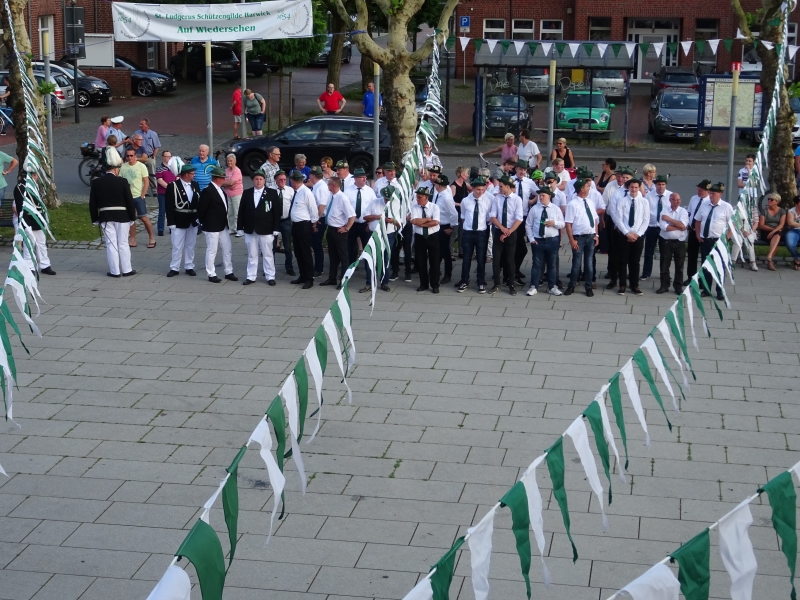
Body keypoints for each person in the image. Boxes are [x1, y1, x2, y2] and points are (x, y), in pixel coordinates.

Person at [89, 147, 137, 278]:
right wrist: (132, 217)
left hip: (106, 217)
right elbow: (129, 201)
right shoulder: (123, 181)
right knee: (123, 243)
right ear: (116, 169)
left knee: (111, 244)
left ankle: (114, 271)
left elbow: (92, 203)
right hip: (123, 216)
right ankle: (127, 269)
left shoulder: (96, 183)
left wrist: (95, 218)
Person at [237, 169, 281, 285]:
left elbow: (277, 212)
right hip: (250, 228)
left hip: (266, 228)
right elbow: (241, 211)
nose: (258, 181)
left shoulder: (271, 193)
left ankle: (270, 276)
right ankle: (251, 276)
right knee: (252, 254)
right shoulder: (247, 193)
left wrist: (276, 228)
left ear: (264, 180)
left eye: (261, 179)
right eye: (256, 179)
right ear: (253, 180)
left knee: (268, 254)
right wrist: (240, 227)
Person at [197, 166, 238, 283]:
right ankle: (211, 273)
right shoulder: (208, 191)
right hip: (212, 226)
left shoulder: (220, 190)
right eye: (223, 178)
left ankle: (228, 271)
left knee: (227, 248)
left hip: (222, 225)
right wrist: (203, 222)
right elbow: (201, 209)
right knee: (212, 250)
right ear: (218, 179)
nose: (224, 180)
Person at [694, 182, 733, 300]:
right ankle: (706, 289)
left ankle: (720, 291)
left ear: (720, 194)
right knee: (706, 266)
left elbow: (732, 224)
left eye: (713, 194)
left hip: (719, 241)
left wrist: (727, 238)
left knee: (719, 266)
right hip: (706, 240)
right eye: (710, 193)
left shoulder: (726, 207)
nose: (711, 196)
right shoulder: (704, 205)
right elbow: (698, 220)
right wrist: (698, 235)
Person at [612, 177, 649, 296]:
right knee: (623, 260)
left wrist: (637, 234)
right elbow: (619, 219)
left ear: (639, 188)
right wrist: (627, 233)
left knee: (635, 261)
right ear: (628, 188)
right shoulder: (622, 201)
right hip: (625, 235)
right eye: (632, 187)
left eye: (636, 187)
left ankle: (634, 285)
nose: (634, 189)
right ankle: (622, 285)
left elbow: (646, 220)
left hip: (638, 235)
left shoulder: (644, 202)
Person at [455, 177, 492, 293]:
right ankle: (464, 281)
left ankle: (481, 282)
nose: (480, 192)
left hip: (481, 232)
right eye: (478, 190)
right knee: (466, 258)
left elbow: (488, 218)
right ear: (473, 189)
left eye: (482, 190)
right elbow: (463, 216)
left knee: (481, 258)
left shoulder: (487, 201)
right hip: (468, 232)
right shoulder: (466, 201)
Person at [564, 178, 600, 297]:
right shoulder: (572, 204)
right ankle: (572, 285)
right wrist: (571, 239)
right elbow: (568, 223)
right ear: (581, 189)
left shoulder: (589, 202)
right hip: (579, 237)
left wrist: (596, 235)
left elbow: (595, 219)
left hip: (590, 236)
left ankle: (588, 286)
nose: (589, 188)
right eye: (587, 187)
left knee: (589, 263)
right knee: (576, 263)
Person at [525, 188, 564, 297]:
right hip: (538, 240)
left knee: (552, 264)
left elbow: (562, 224)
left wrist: (554, 223)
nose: (541, 197)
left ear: (549, 196)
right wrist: (531, 239)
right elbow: (528, 224)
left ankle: (552, 287)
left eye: (543, 195)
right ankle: (534, 286)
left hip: (552, 240)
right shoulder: (534, 209)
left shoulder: (555, 209)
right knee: (536, 264)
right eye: (540, 195)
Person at [14, 172, 55, 275]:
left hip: (38, 220)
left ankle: (45, 265)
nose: (37, 177)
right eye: (36, 175)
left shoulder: (33, 186)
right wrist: (26, 224)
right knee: (29, 244)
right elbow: (20, 207)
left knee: (41, 243)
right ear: (33, 175)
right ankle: (29, 267)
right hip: (28, 220)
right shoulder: (20, 187)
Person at [489, 175, 523, 296]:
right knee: (496, 258)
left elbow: (519, 218)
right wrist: (502, 228)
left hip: (511, 232)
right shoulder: (497, 199)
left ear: (508, 186)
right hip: (500, 230)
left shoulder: (517, 200)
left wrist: (509, 231)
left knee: (510, 259)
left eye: (501, 186)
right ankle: (496, 283)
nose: (499, 188)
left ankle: (511, 284)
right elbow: (492, 216)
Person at [320, 176, 356, 290]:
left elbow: (352, 215)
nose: (327, 186)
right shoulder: (332, 196)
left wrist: (347, 228)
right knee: (332, 255)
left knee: (343, 256)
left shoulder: (342, 198)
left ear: (333, 186)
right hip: (331, 229)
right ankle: (332, 278)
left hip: (339, 231)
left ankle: (344, 280)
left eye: (329, 184)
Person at [165, 164, 200, 277]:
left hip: (192, 219)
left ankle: (189, 265)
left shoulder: (195, 184)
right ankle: (174, 267)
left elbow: (198, 202)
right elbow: (169, 206)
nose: (194, 175)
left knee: (191, 244)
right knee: (177, 245)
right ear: (186, 174)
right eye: (192, 173)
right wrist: (171, 222)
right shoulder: (173, 186)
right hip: (179, 219)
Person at [363, 185, 398, 292]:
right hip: (374, 233)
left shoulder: (397, 204)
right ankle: (369, 283)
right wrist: (376, 217)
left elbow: (401, 223)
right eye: (385, 198)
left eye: (389, 198)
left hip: (389, 234)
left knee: (385, 258)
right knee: (370, 257)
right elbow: (365, 216)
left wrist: (392, 221)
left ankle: (384, 282)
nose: (387, 200)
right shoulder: (375, 202)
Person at [120, 147, 156, 249]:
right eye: (127, 156)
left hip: (138, 196)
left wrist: (142, 195)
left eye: (131, 155)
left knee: (143, 217)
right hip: (127, 197)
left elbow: (146, 182)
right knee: (131, 219)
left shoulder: (141, 166)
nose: (129, 157)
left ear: (135, 156)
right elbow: (121, 181)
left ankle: (151, 238)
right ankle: (132, 239)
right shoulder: (123, 167)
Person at [604, 166, 634, 289]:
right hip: (616, 226)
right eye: (623, 177)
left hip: (631, 228)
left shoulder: (636, 192)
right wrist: (618, 224)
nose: (624, 179)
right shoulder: (616, 192)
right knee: (614, 252)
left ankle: (630, 280)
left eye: (627, 178)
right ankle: (613, 278)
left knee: (630, 255)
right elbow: (612, 209)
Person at [288, 170, 319, 288]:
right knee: (298, 251)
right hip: (296, 225)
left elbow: (313, 211)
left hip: (304, 225)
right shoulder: (297, 192)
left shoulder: (306, 192)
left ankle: (309, 278)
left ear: (294, 181)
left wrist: (313, 225)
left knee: (305, 252)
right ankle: (302, 275)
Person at [409, 187, 441, 293]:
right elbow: (414, 221)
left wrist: (421, 223)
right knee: (421, 261)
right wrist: (427, 219)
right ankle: (423, 284)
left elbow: (435, 222)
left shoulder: (434, 207)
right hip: (420, 236)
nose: (417, 199)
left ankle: (435, 284)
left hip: (433, 235)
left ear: (426, 197)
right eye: (417, 197)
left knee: (434, 261)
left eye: (420, 197)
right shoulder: (414, 207)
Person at [656, 192, 689, 295]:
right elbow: (664, 227)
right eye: (675, 199)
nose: (677, 201)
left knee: (679, 266)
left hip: (680, 242)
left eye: (679, 199)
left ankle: (678, 286)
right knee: (664, 265)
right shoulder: (664, 211)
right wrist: (678, 226)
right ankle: (664, 286)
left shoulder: (683, 211)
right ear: (670, 200)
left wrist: (669, 219)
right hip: (666, 241)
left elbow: (683, 226)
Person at [512, 160, 538, 284]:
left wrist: (532, 201)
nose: (522, 172)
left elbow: (539, 193)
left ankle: (515, 270)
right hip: (511, 219)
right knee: (518, 247)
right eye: (520, 169)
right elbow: (496, 192)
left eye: (524, 170)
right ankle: (512, 271)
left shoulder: (529, 182)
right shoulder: (510, 180)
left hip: (523, 217)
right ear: (516, 169)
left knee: (519, 246)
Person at [641, 174, 672, 280]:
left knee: (665, 252)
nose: (661, 186)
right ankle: (646, 273)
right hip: (651, 227)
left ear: (665, 185)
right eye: (659, 184)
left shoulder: (670, 196)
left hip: (664, 227)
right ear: (655, 185)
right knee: (649, 251)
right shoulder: (649, 196)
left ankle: (665, 273)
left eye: (663, 184)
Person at [346, 167, 377, 270]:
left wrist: (370, 222)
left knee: (367, 247)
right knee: (350, 247)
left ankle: (369, 270)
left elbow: (374, 208)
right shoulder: (348, 191)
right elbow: (344, 208)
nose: (364, 179)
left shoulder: (370, 191)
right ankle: (350, 267)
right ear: (355, 179)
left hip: (365, 224)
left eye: (365, 177)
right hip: (352, 224)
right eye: (361, 177)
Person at [432, 175, 458, 284]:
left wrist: (451, 228)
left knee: (445, 252)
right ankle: (436, 271)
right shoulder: (438, 194)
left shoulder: (446, 198)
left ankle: (448, 274)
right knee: (437, 251)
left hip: (444, 227)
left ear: (438, 185)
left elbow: (454, 214)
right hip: (436, 226)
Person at [685, 179, 712, 283]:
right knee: (692, 256)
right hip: (692, 231)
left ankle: (702, 280)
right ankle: (691, 277)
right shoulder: (694, 198)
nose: (698, 192)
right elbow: (689, 212)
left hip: (703, 233)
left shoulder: (709, 202)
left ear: (707, 191)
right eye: (698, 190)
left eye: (701, 190)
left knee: (704, 257)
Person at [272, 171, 296, 276]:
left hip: (286, 220)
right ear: (276, 180)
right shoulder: (271, 190)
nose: (282, 181)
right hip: (274, 222)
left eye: (284, 179)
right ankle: (270, 268)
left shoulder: (290, 190)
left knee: (288, 246)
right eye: (280, 179)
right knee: (271, 246)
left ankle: (289, 267)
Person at [309, 166, 330, 276]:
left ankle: (319, 268)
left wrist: (315, 221)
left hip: (319, 219)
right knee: (314, 243)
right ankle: (316, 266)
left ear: (312, 176)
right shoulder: (317, 186)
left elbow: (321, 206)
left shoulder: (321, 187)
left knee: (317, 243)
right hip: (316, 218)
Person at [758, 192, 787, 271]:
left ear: (777, 202)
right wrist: (772, 231)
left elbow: (781, 225)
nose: (769, 201)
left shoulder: (782, 211)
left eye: (771, 200)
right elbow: (761, 225)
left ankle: (769, 257)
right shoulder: (764, 211)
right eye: (769, 199)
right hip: (766, 231)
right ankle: (770, 261)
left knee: (778, 235)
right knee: (777, 237)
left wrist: (773, 232)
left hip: (777, 231)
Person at [133, 118, 161, 195]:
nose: (140, 125)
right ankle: (143, 191)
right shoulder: (137, 133)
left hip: (150, 157)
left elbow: (156, 146)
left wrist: (153, 156)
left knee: (152, 174)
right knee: (141, 174)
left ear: (147, 125)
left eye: (142, 124)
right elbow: (134, 144)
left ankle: (154, 190)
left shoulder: (153, 134)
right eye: (140, 124)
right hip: (140, 158)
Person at [450, 166, 471, 258]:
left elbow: (473, 189)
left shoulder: (465, 184)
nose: (467, 175)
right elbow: (450, 201)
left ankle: (461, 251)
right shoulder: (453, 186)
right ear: (461, 174)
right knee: (454, 233)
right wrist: (459, 204)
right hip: (456, 212)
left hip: (463, 212)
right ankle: (450, 253)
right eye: (466, 173)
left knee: (462, 232)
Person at [155, 150, 177, 236]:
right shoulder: (159, 168)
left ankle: (172, 228)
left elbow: (177, 178)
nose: (169, 158)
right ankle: (160, 229)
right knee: (162, 211)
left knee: (172, 211)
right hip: (162, 193)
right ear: (163, 157)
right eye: (167, 156)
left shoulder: (174, 167)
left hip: (173, 193)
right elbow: (160, 180)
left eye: (170, 156)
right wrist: (170, 188)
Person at [221, 153, 243, 237]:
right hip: (228, 194)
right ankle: (232, 228)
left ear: (235, 161)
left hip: (237, 194)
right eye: (228, 161)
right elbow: (222, 182)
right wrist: (228, 185)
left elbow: (231, 182)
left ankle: (239, 229)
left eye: (231, 161)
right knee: (229, 212)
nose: (229, 162)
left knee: (237, 212)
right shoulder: (226, 170)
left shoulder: (237, 171)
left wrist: (227, 184)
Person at [785, 195, 800, 270]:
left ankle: (797, 260)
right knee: (790, 243)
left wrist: (796, 224)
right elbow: (790, 223)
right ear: (796, 204)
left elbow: (793, 223)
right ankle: (797, 257)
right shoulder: (791, 211)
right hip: (794, 230)